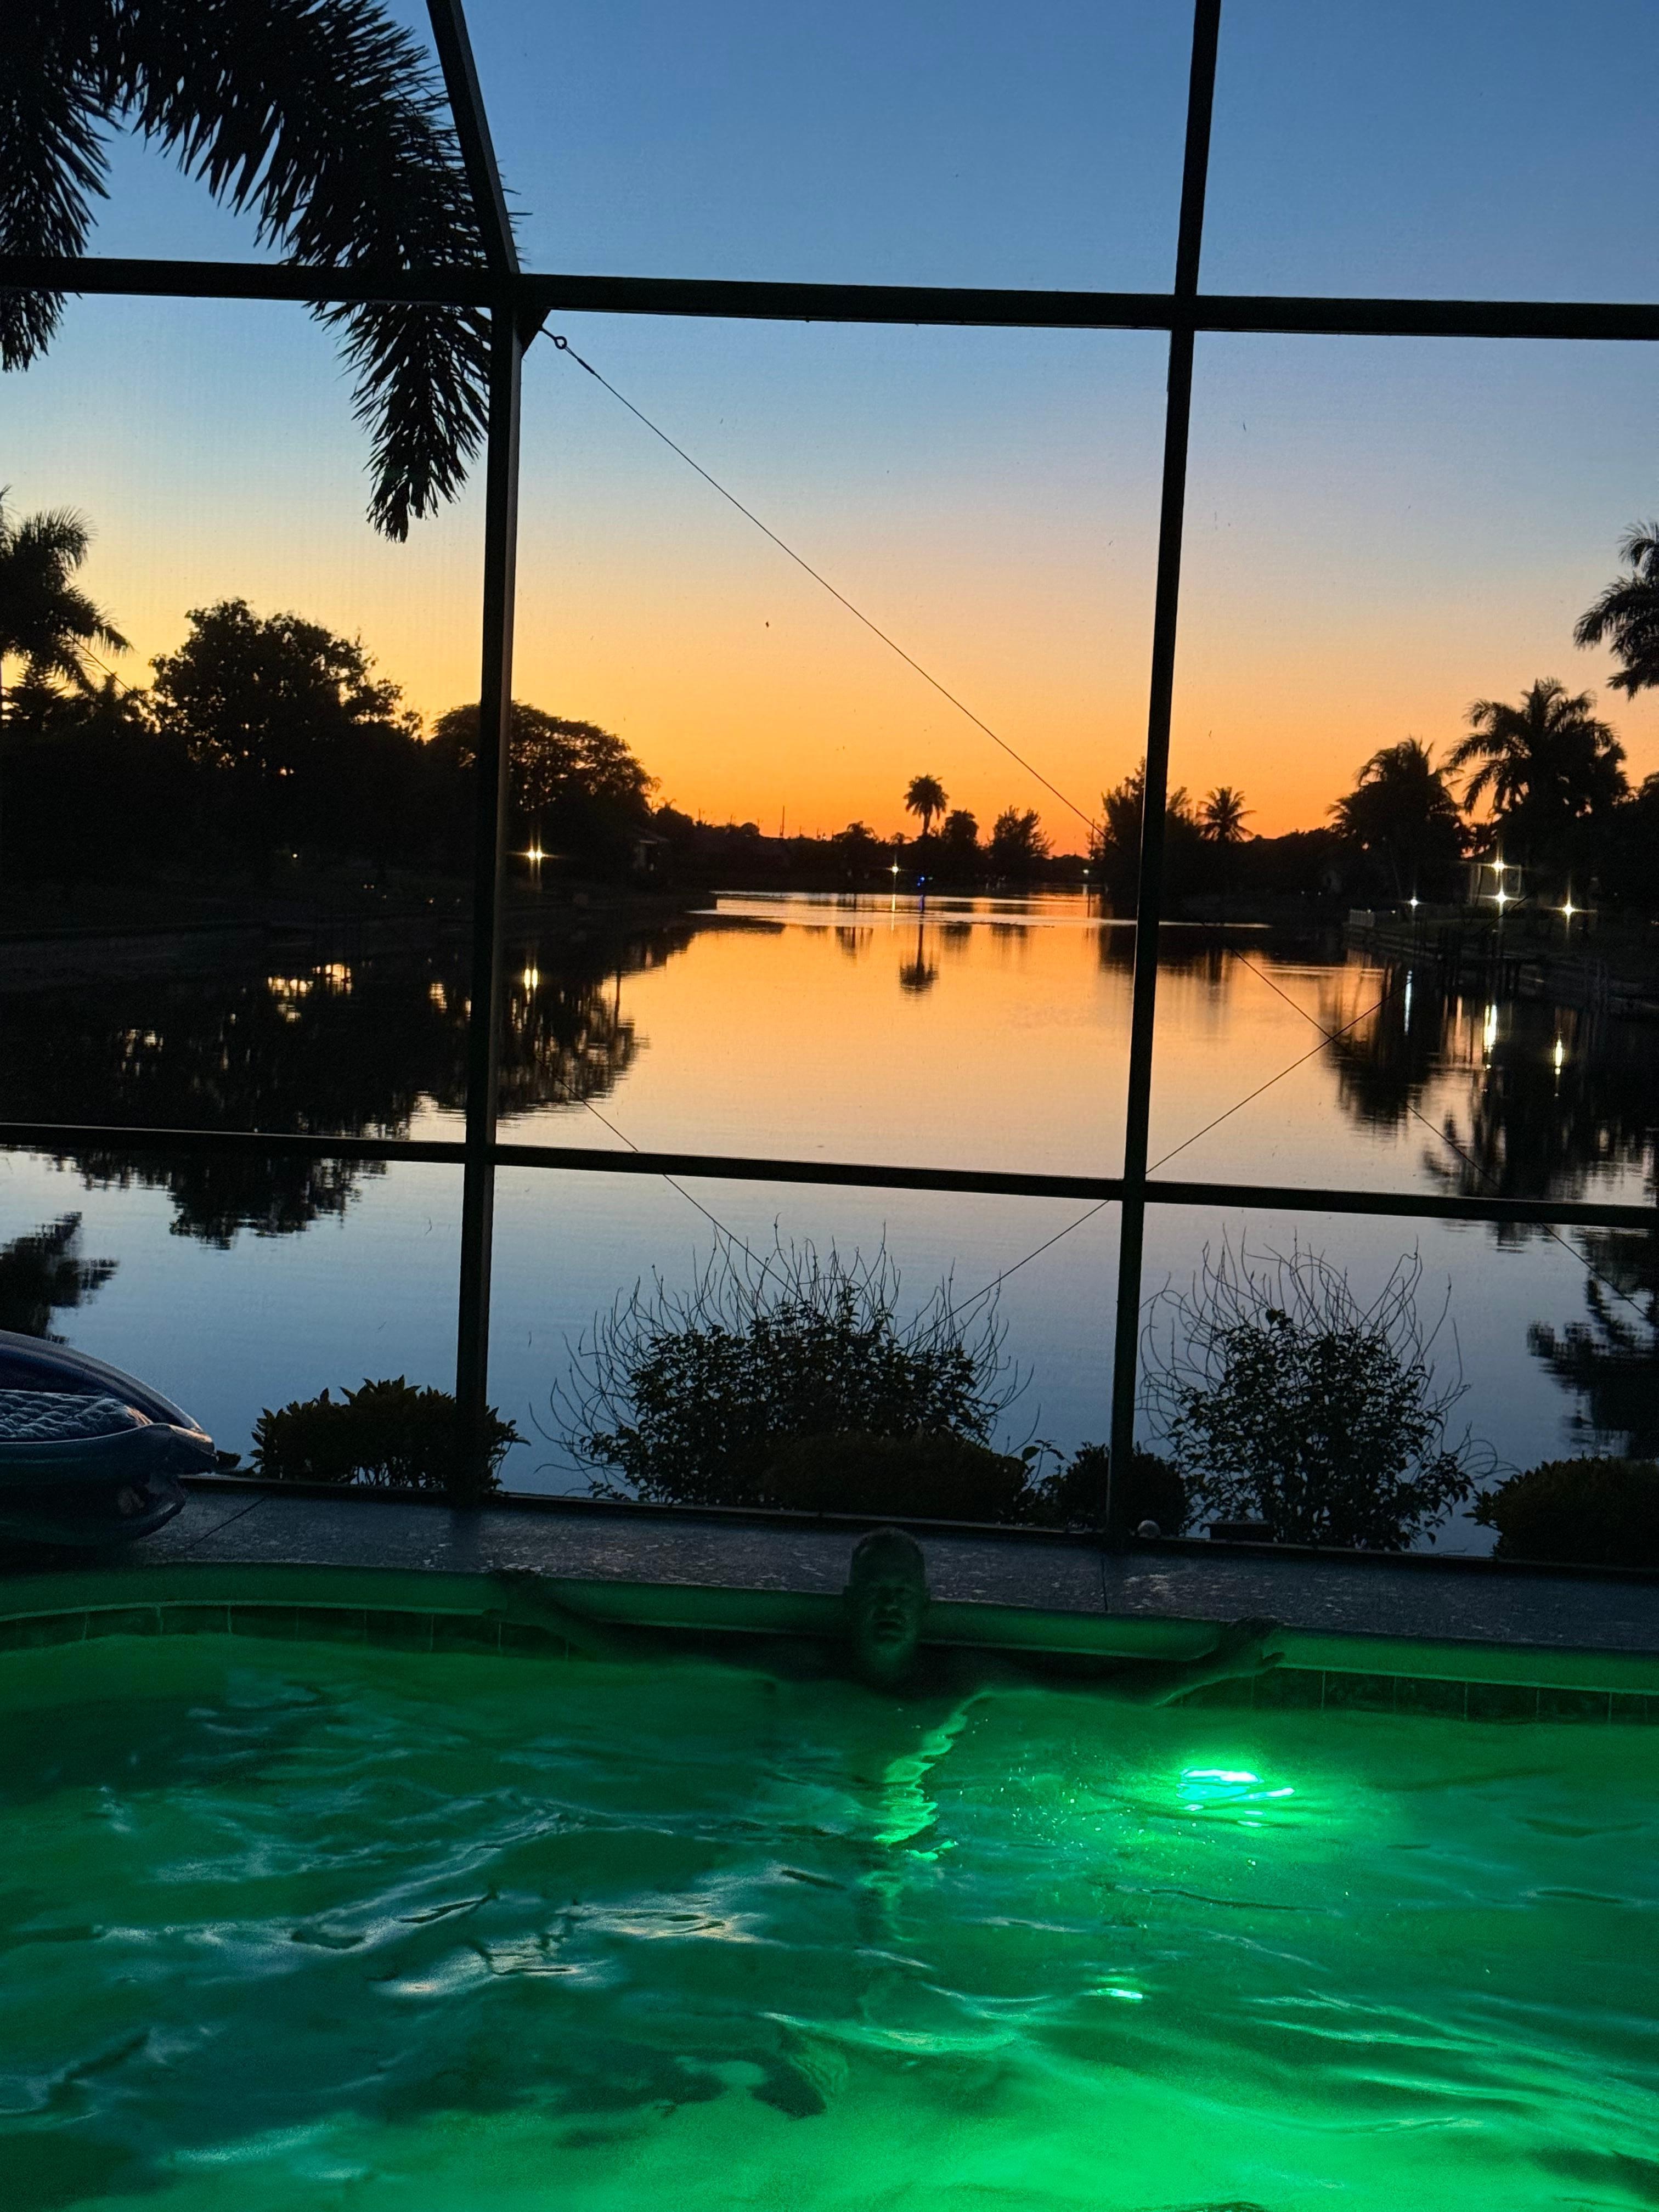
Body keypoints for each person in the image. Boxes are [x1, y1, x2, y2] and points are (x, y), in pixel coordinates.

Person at [488, 1526, 1281, 1705]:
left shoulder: (959, 1677)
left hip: (895, 1833)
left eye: (904, 1594)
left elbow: (1107, 1693)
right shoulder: (802, 1665)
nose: (891, 1607)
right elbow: (648, 1653)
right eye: (878, 1593)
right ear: (849, 1603)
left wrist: (1224, 1664)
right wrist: (539, 1610)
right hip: (799, 1822)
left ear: (929, 1607)